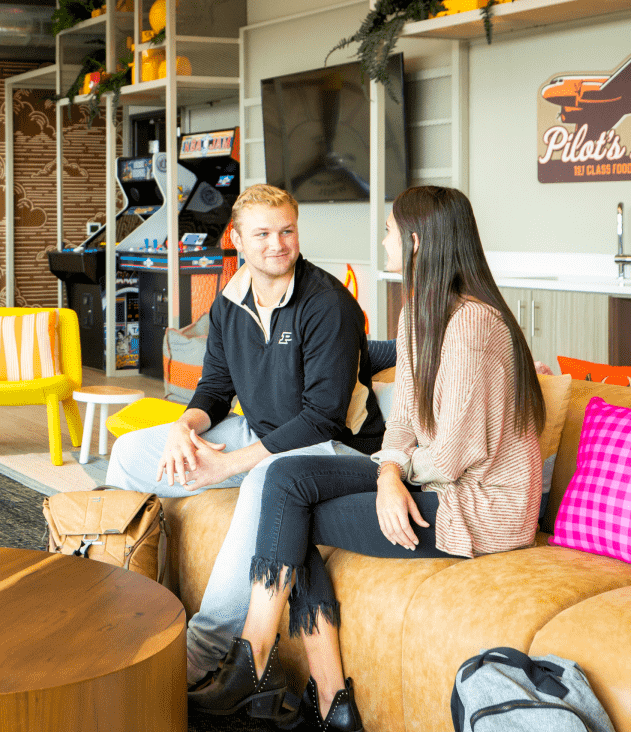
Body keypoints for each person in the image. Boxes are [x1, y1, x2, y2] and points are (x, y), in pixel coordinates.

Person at [188, 186, 546, 730]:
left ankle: (276, 675)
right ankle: (311, 693)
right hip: (432, 483)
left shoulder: (474, 324)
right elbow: (403, 420)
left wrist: (389, 472)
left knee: (290, 506)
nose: (382, 239)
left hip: (477, 509)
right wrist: (391, 465)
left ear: (417, 241)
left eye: (388, 230)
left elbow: (453, 454)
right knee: (286, 476)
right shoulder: (418, 317)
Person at [106, 183, 384, 689]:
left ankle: (200, 656)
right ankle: (126, 599)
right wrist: (183, 428)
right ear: (236, 238)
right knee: (129, 453)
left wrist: (232, 464)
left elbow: (322, 416)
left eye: (287, 231)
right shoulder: (230, 301)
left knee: (264, 481)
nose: (277, 244)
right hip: (258, 432)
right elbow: (214, 387)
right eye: (262, 234)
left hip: (332, 449)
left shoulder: (329, 305)